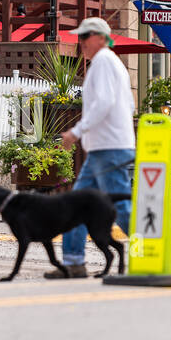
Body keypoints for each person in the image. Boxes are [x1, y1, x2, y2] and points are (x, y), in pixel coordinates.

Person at [54, 17, 136, 278]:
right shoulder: (113, 63)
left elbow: (103, 103)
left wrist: (76, 132)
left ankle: (155, 251)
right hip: (110, 145)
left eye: (85, 36)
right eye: (80, 37)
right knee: (83, 204)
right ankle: (73, 262)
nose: (81, 42)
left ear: (101, 37)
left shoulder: (102, 62)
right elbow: (127, 105)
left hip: (107, 148)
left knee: (118, 206)